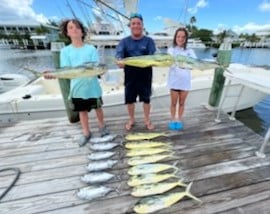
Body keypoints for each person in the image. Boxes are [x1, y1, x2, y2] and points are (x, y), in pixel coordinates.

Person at [44, 19, 109, 146]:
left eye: (77, 27)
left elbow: (96, 67)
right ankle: (86, 132)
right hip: (77, 89)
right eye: (71, 27)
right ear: (67, 32)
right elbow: (66, 71)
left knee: (98, 108)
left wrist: (100, 71)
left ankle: (102, 126)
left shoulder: (91, 49)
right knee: (82, 112)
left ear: (82, 31)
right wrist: (53, 74)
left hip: (93, 88)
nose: (74, 29)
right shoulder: (65, 51)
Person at [115, 13, 156, 131]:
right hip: (130, 76)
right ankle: (131, 119)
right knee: (130, 100)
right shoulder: (124, 42)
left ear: (142, 25)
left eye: (138, 23)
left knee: (146, 99)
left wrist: (155, 61)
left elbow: (153, 57)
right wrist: (119, 62)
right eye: (133, 23)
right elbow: (119, 56)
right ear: (130, 26)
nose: (136, 26)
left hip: (145, 76)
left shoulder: (149, 41)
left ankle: (147, 119)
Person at [167, 27, 197, 130]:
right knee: (173, 103)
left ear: (186, 39)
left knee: (182, 103)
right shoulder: (171, 50)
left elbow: (194, 63)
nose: (180, 39)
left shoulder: (190, 51)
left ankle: (179, 119)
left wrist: (185, 63)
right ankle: (172, 119)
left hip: (185, 82)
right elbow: (170, 63)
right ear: (175, 38)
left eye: (183, 37)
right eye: (178, 36)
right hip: (174, 81)